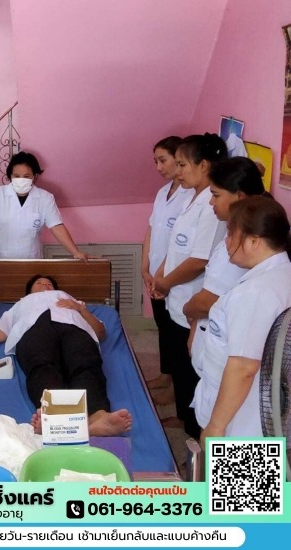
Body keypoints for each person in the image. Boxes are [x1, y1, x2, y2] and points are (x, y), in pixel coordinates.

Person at [0, 274, 133, 436]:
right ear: (29, 292)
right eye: (39, 283)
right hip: (34, 329)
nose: (44, 284)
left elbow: (100, 332)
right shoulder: (21, 304)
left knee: (85, 362)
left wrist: (81, 310)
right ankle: (56, 417)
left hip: (73, 327)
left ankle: (97, 416)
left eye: (48, 283)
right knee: (42, 365)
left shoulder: (69, 299)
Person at [193, 196, 291, 445]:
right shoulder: (279, 274)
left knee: (237, 473)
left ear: (254, 241)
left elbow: (243, 367)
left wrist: (216, 426)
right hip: (263, 411)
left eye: (230, 234)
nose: (226, 242)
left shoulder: (256, 292)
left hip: (244, 422)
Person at [152, 133, 228, 438]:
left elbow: (198, 261)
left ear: (204, 165)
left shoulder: (212, 208)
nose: (177, 171)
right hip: (181, 302)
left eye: (182, 164)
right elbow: (177, 246)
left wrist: (166, 283)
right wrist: (162, 276)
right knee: (184, 370)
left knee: (196, 375)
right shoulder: (193, 197)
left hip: (192, 304)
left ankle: (197, 435)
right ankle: (188, 424)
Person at [183, 157, 266, 367]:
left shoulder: (243, 246)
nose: (211, 202)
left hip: (223, 350)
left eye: (216, 195)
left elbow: (207, 302)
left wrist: (188, 310)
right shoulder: (239, 230)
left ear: (240, 197)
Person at [142, 136, 193, 406]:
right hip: (155, 274)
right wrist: (144, 266)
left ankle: (175, 387)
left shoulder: (190, 196)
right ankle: (166, 375)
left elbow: (177, 244)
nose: (159, 167)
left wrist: (161, 276)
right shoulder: (163, 192)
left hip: (172, 277)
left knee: (175, 333)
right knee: (163, 327)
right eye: (156, 161)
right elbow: (151, 229)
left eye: (163, 160)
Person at [0, 151, 88, 261]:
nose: (21, 180)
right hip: (1, 259)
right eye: (17, 176)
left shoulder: (45, 198)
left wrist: (76, 253)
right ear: (10, 175)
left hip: (32, 260)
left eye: (26, 176)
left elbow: (56, 226)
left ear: (35, 176)